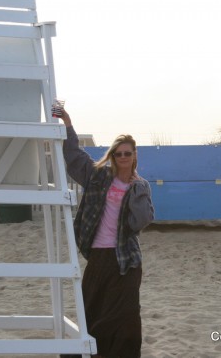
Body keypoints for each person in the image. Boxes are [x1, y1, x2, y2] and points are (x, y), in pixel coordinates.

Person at [58, 108, 154, 358]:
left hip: (126, 259)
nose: (122, 157)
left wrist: (137, 191)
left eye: (127, 153)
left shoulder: (140, 186)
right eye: (118, 153)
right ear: (112, 155)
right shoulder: (98, 176)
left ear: (134, 156)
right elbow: (74, 157)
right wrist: (68, 124)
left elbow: (141, 221)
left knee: (126, 316)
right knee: (92, 310)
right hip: (99, 257)